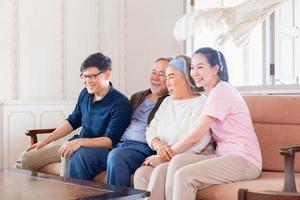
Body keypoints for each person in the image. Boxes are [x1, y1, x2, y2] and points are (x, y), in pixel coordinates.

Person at [15, 52, 132, 181]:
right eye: (84, 76)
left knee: (71, 161)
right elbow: (73, 121)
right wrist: (45, 141)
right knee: (26, 158)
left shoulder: (121, 103)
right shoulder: (85, 94)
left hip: (97, 151)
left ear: (107, 74)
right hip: (75, 144)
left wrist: (80, 142)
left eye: (92, 76)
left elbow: (110, 140)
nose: (87, 81)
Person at [164, 47, 262, 200]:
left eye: (200, 67)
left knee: (185, 175)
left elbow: (195, 136)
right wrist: (171, 154)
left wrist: (164, 155)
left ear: (215, 69)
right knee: (177, 162)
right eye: (192, 68)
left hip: (245, 160)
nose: (195, 72)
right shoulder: (213, 93)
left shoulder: (221, 92)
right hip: (224, 155)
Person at [134, 55, 212, 200]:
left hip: (187, 159)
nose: (166, 82)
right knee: (141, 174)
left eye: (171, 77)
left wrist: (165, 157)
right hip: (163, 156)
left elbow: (199, 142)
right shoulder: (167, 102)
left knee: (159, 173)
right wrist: (159, 146)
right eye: (166, 77)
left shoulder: (201, 103)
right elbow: (151, 130)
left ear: (186, 78)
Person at [106, 57, 171, 187]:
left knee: (116, 156)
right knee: (83, 155)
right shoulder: (137, 96)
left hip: (143, 148)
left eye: (162, 74)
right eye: (154, 72)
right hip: (120, 144)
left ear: (170, 78)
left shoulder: (169, 101)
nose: (156, 77)